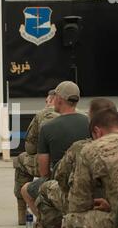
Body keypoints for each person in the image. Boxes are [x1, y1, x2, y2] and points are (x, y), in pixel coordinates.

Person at [36, 98, 117, 228]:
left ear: (93, 122)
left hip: (92, 211)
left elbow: (60, 177)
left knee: (47, 191)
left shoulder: (81, 148)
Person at [20, 81, 89, 220]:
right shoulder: (89, 121)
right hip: (86, 183)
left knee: (25, 190)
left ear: (58, 99)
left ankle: (49, 225)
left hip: (60, 184)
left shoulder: (47, 127)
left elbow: (44, 172)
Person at [13, 90, 58, 225]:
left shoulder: (43, 114)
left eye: (46, 101)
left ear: (51, 100)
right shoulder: (82, 115)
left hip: (50, 166)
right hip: (74, 166)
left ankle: (23, 213)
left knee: (20, 160)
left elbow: (30, 148)